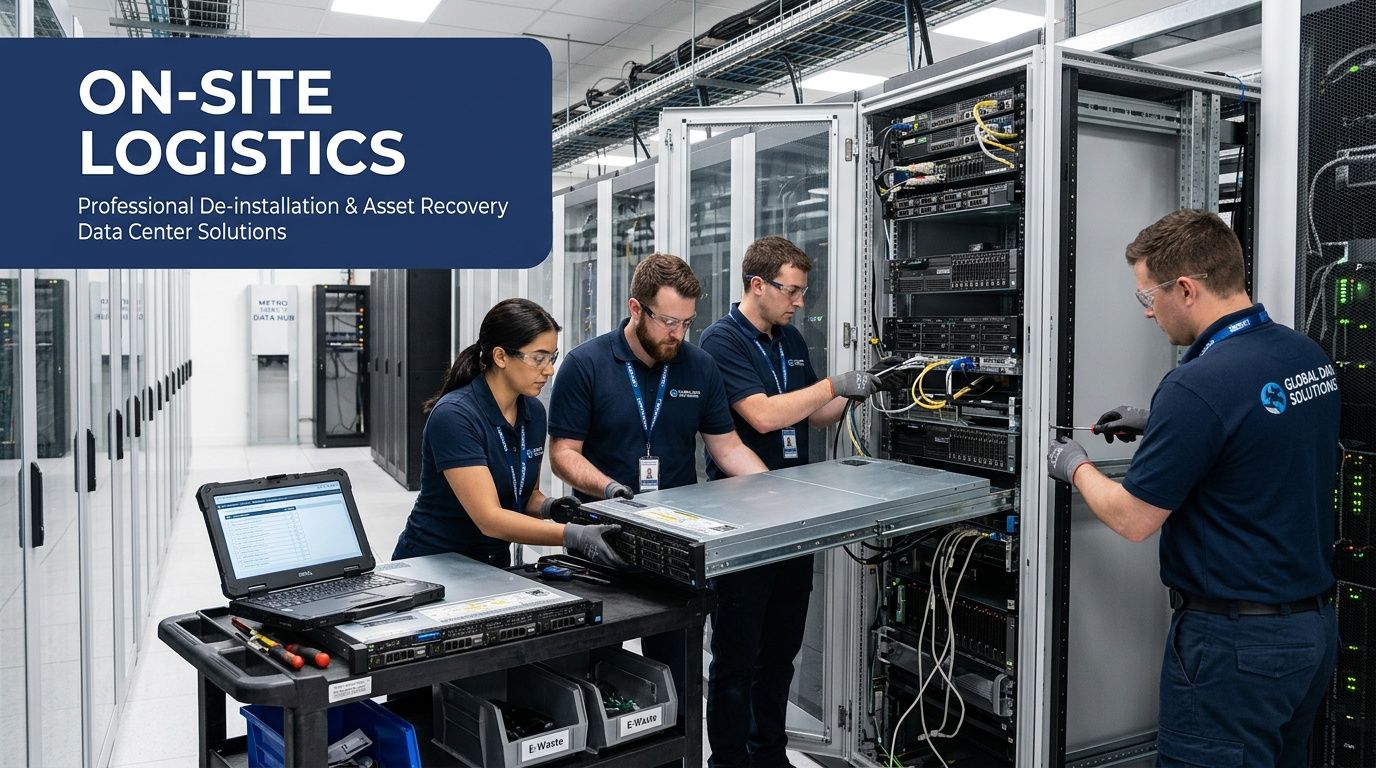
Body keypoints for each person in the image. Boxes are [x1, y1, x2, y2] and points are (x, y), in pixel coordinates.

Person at [1045, 209, 1340, 768]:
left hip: (1233, 648)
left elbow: (1134, 519)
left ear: (1185, 288)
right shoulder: (1305, 355)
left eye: (1147, 297)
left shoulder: (1196, 384)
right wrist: (1162, 424)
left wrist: (1074, 465)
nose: (1148, 313)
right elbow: (1257, 442)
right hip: (1309, 633)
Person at [548, 252, 770, 714]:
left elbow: (727, 448)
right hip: (600, 541)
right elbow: (563, 455)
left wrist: (774, 495)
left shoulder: (700, 366)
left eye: (686, 323)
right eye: (669, 321)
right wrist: (610, 491)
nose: (678, 334)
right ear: (636, 308)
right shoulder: (584, 365)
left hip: (674, 544)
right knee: (591, 680)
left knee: (677, 680)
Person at [696, 235, 885, 768]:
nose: (799, 301)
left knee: (781, 651)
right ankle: (728, 760)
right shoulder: (721, 343)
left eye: (802, 291)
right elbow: (762, 416)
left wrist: (853, 392)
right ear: (758, 285)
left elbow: (811, 416)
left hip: (792, 517)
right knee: (736, 656)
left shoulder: (791, 340)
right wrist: (831, 382)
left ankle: (769, 753)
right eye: (792, 291)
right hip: (744, 521)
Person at [390, 298, 623, 569]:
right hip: (433, 564)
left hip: (491, 565)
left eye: (552, 357)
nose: (549, 370)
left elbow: (522, 493)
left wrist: (549, 507)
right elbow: (489, 518)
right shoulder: (454, 416)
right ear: (500, 356)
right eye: (538, 358)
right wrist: (573, 535)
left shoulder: (533, 412)